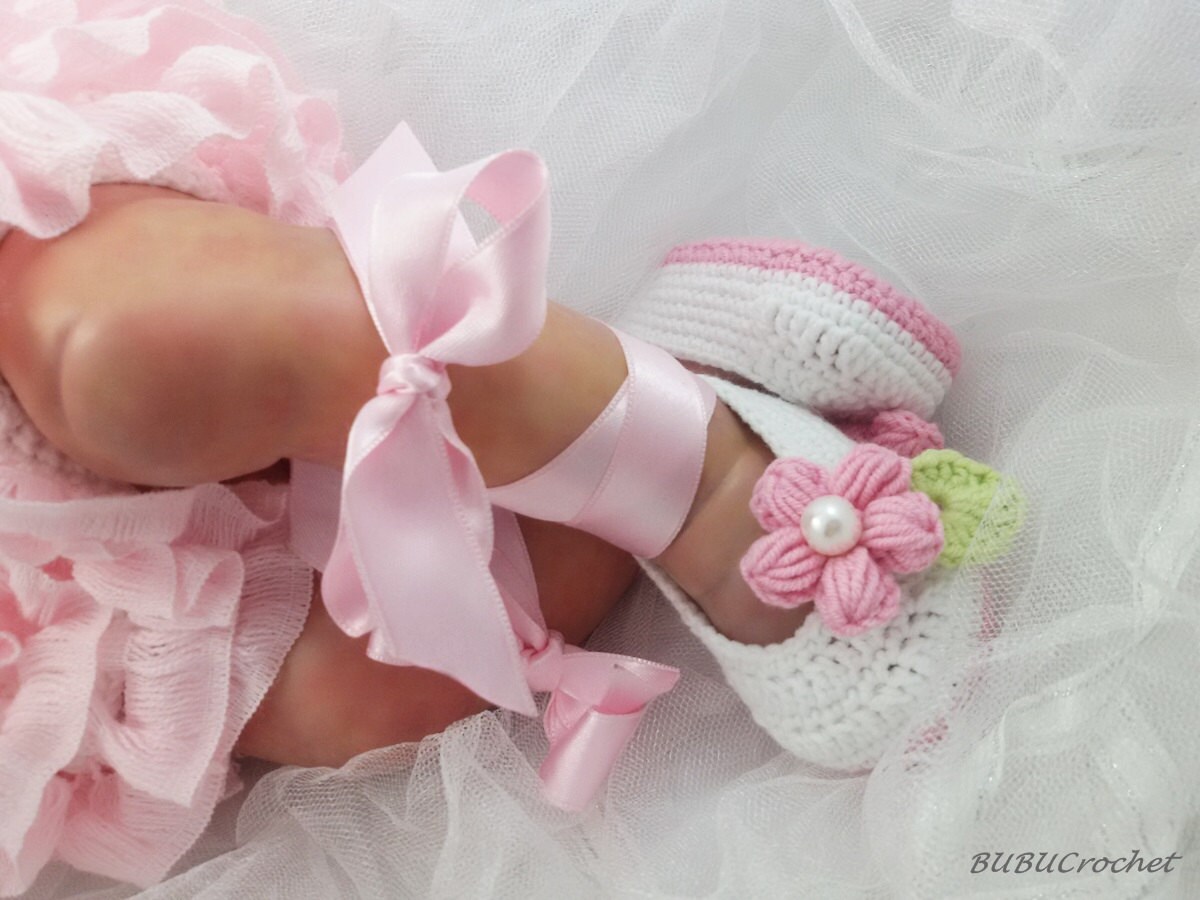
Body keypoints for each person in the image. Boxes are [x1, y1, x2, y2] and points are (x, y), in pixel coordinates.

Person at [0, 0, 1014, 891]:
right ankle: (691, 370)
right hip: (67, 603)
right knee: (337, 701)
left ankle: (698, 473)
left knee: (122, 355)